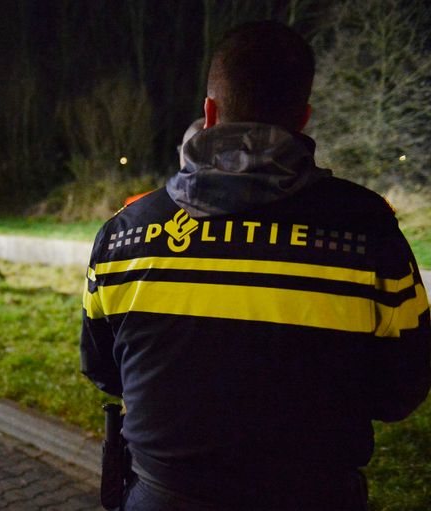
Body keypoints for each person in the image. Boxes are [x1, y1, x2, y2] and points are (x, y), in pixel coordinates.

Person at [81, 20, 430, 510]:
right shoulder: (369, 233)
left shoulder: (126, 234)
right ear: (303, 117)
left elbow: (102, 370)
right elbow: (402, 393)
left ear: (209, 111)